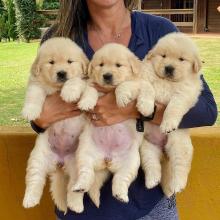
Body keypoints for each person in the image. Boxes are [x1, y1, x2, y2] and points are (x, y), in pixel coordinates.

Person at [31, 1, 218, 220]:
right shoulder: (61, 36)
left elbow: (206, 110)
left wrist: (134, 111)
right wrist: (41, 118)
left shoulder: (159, 30)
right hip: (80, 208)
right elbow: (40, 113)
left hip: (149, 207)